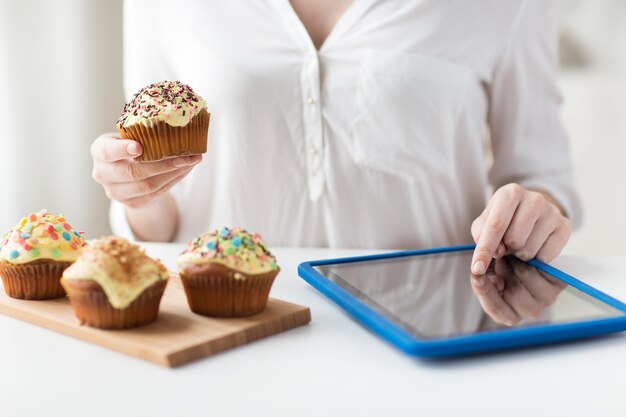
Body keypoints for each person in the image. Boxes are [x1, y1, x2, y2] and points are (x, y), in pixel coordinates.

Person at [90, 0, 581, 278]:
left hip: (427, 323)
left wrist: (533, 212)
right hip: (220, 325)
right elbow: (157, 206)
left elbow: (543, 176)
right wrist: (135, 192)